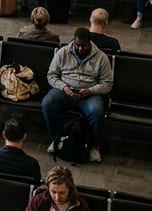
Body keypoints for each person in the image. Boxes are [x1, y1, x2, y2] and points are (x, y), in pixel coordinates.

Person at [42, 28, 113, 163]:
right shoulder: (63, 53)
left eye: (83, 45)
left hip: (89, 94)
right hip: (65, 91)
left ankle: (94, 146)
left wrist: (90, 90)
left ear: (89, 43)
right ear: (74, 41)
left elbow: (107, 84)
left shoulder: (101, 57)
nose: (80, 48)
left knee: (97, 111)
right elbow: (51, 75)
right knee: (47, 103)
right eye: (77, 45)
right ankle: (57, 138)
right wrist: (64, 87)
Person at [27, 165, 92, 211]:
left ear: (70, 189)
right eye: (53, 192)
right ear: (48, 188)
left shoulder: (81, 206)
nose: (57, 197)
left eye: (62, 193)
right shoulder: (37, 201)